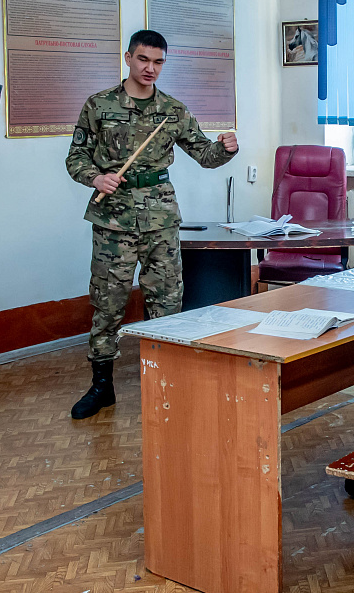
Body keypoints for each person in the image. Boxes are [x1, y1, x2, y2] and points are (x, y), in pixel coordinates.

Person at [65, 29, 239, 419]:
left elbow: (205, 154)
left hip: (160, 218)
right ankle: (101, 386)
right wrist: (96, 178)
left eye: (158, 62)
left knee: (167, 302)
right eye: (143, 59)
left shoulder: (172, 111)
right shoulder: (99, 105)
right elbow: (75, 157)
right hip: (113, 220)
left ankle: (165, 380)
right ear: (128, 58)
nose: (150, 68)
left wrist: (226, 149)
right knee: (108, 302)